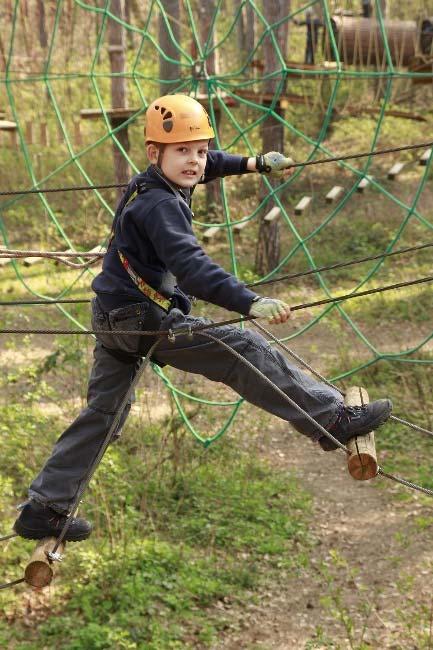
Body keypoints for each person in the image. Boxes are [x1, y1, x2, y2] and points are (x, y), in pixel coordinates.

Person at [14, 95, 392, 542]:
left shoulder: (155, 180)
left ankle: (45, 506)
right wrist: (248, 302)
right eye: (182, 152)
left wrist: (251, 163)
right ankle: (329, 420)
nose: (194, 162)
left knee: (104, 414)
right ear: (155, 153)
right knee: (242, 348)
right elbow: (191, 267)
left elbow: (208, 164)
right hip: (140, 319)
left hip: (113, 315)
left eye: (198, 150)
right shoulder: (161, 206)